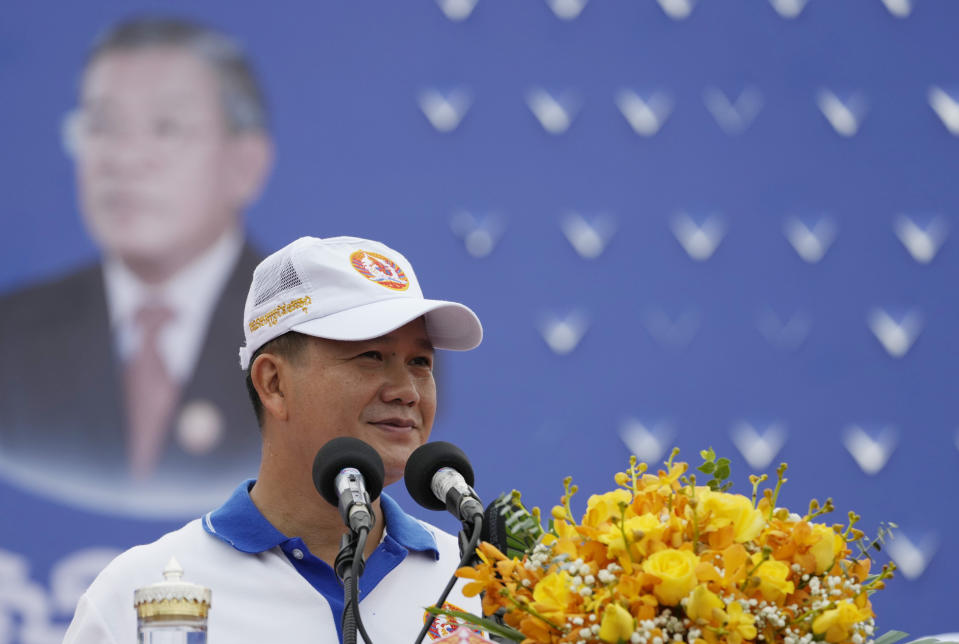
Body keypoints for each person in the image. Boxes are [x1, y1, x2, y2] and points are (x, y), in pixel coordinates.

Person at [62, 235, 485, 642]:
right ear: (274, 383)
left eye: (420, 361)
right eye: (371, 356)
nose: (406, 390)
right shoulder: (136, 596)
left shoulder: (484, 584)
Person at [0, 16, 274, 513]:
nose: (123, 158)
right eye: (101, 126)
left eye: (166, 128)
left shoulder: (311, 338)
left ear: (245, 163)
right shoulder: (10, 338)